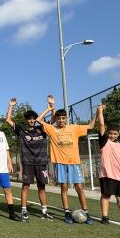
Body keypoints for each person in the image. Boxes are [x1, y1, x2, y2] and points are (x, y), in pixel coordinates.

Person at [39, 95, 97, 224]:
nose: (61, 120)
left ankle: (86, 213)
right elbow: (39, 119)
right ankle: (66, 213)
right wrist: (50, 108)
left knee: (79, 188)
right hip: (60, 163)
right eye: (59, 118)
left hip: (74, 162)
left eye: (63, 118)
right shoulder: (52, 129)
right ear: (56, 119)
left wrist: (97, 113)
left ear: (66, 118)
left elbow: (91, 126)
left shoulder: (74, 128)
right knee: (64, 188)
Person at [5, 98, 54, 221]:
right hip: (27, 163)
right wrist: (11, 106)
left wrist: (51, 107)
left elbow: (53, 120)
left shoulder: (42, 129)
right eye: (29, 118)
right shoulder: (21, 130)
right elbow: (8, 120)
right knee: (25, 186)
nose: (31, 120)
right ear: (26, 120)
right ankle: (24, 211)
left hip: (41, 162)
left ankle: (44, 211)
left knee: (41, 187)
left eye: (33, 118)